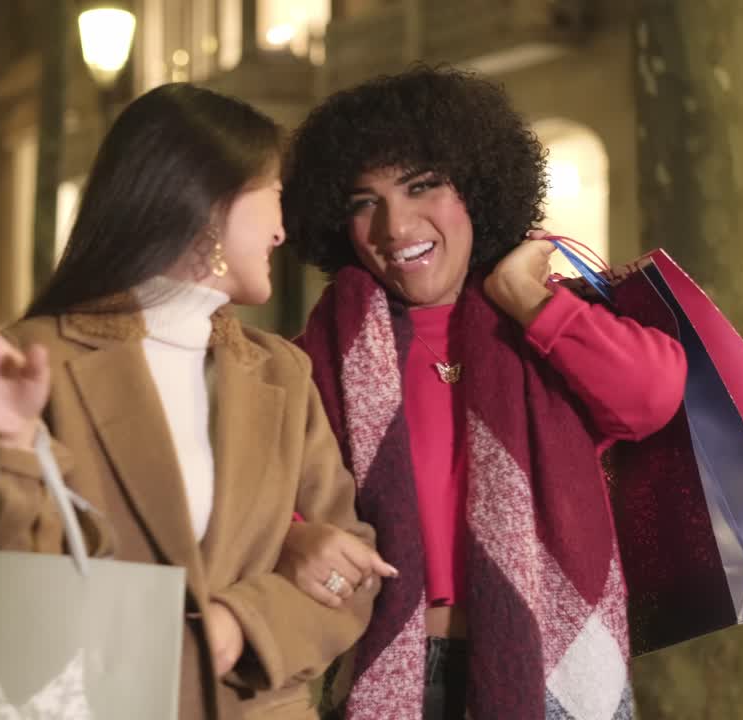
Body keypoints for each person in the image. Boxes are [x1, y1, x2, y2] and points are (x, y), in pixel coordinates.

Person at [0, 83, 379, 719]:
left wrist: (244, 621)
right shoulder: (36, 362)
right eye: (273, 194)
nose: (281, 229)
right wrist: (8, 449)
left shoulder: (281, 372)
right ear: (210, 201)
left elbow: (354, 570)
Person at [278, 66, 687, 719]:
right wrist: (294, 539)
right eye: (364, 202)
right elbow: (270, 501)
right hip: (384, 665)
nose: (394, 226)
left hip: (555, 667)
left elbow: (652, 397)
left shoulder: (548, 325)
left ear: (477, 187)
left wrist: (526, 297)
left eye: (422, 186)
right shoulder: (322, 357)